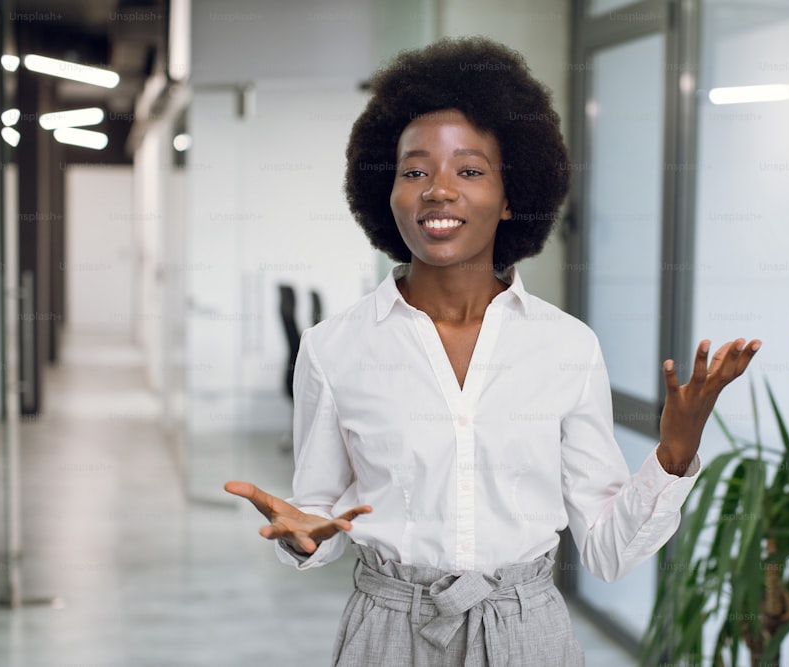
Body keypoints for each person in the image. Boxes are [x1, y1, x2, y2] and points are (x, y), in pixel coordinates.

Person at [225, 36, 760, 667]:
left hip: (526, 633)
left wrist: (675, 451)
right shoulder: (332, 348)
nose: (438, 190)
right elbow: (319, 518)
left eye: (469, 170)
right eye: (414, 171)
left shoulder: (566, 346)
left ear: (512, 196)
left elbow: (609, 552)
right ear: (386, 192)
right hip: (386, 634)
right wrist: (306, 538)